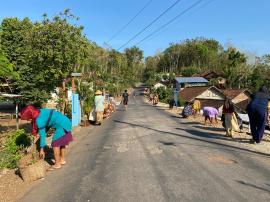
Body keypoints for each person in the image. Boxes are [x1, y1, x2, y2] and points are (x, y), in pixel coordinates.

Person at [20, 105, 73, 170]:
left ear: (30, 115)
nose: (27, 120)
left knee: (55, 143)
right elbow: (48, 120)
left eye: (27, 118)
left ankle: (57, 164)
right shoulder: (40, 111)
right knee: (61, 142)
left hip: (61, 125)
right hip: (66, 121)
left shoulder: (39, 120)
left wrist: (42, 149)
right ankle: (62, 160)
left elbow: (43, 135)